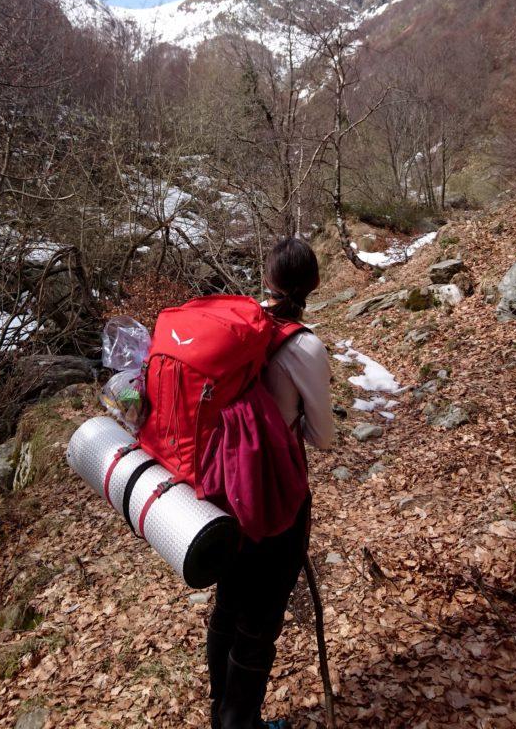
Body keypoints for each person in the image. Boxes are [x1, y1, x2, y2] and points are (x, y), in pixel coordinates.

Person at [206, 237, 334, 729]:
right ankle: (242, 724)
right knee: (258, 621)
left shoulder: (238, 326)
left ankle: (221, 714)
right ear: (314, 285)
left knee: (228, 604)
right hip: (275, 493)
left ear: (267, 279)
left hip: (222, 483)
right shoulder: (305, 345)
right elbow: (322, 436)